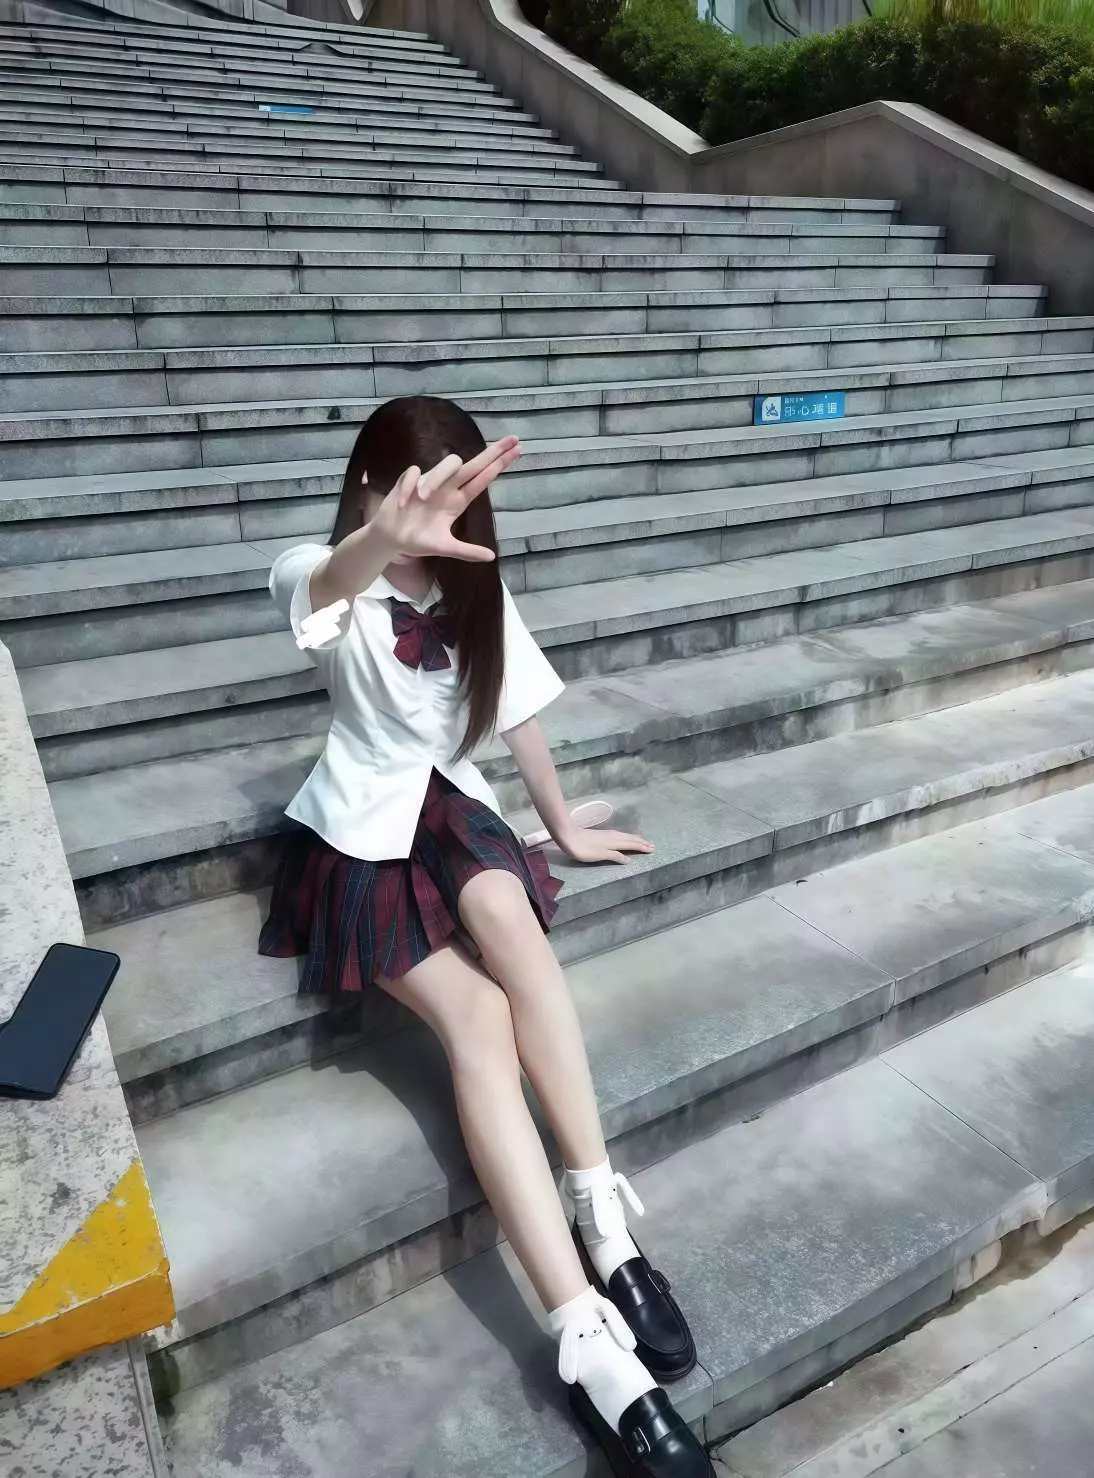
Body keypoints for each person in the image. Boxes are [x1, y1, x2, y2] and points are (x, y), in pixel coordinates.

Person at [260, 396, 709, 1478]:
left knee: (510, 917)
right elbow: (318, 591)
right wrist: (381, 540)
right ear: (370, 484)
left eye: (459, 495)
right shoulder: (318, 570)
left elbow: (515, 711)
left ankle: (601, 1215)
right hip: (361, 832)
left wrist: (562, 825)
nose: (442, 515)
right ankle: (585, 1340)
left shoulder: (474, 582)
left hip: (451, 810)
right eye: (419, 491)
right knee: (478, 1016)